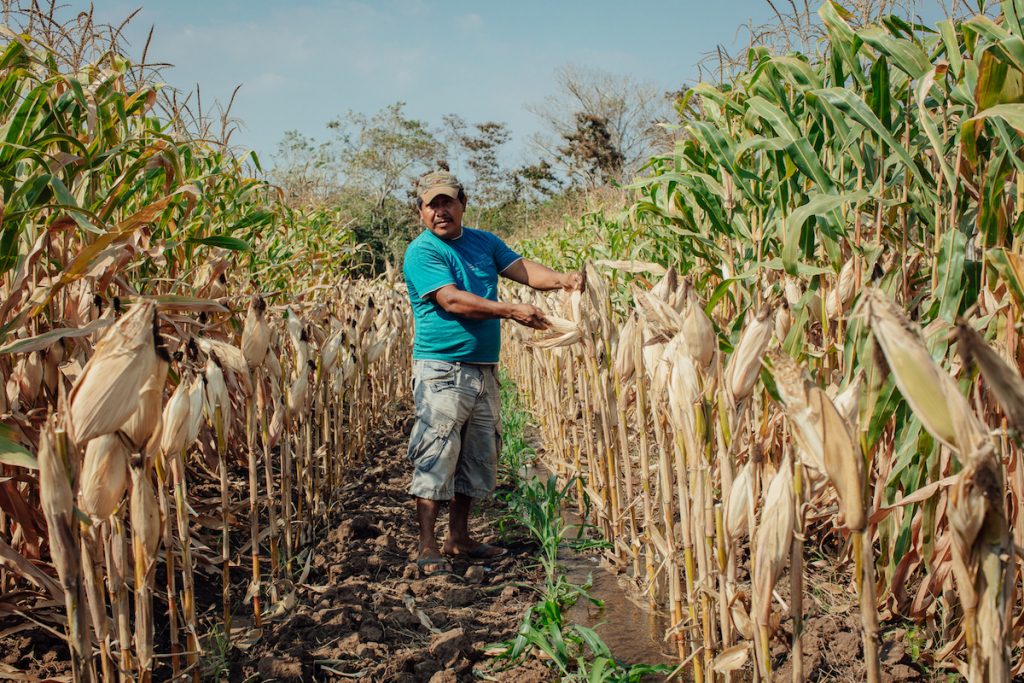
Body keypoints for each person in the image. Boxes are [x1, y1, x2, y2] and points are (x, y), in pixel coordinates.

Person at [402, 168, 582, 576]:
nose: (441, 211)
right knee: (436, 453)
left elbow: (524, 271)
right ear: (421, 213)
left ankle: (459, 538)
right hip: (442, 370)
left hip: (483, 369)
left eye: (448, 202)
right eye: (432, 205)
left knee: (476, 456)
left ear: (463, 203)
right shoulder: (423, 251)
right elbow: (451, 300)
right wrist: (510, 310)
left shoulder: (485, 243)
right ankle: (427, 545)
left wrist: (562, 280)